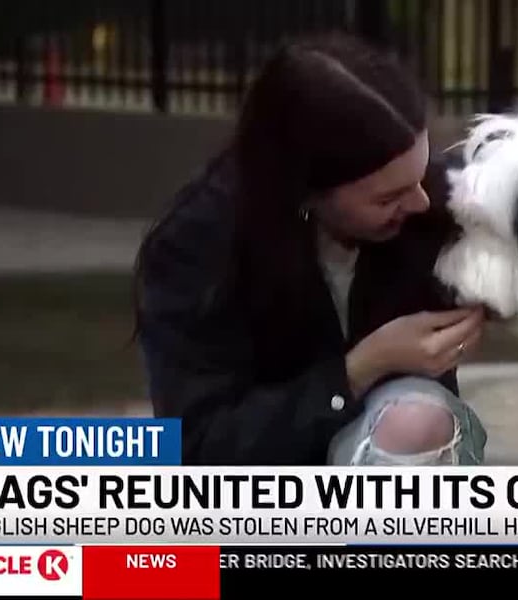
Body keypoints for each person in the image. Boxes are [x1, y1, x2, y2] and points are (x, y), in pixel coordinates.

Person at [131, 32, 488, 467]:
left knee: (416, 422)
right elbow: (199, 446)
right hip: (261, 495)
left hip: (396, 440)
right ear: (305, 191)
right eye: (387, 197)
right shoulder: (195, 248)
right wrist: (357, 371)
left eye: (420, 174)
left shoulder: (421, 202)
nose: (420, 202)